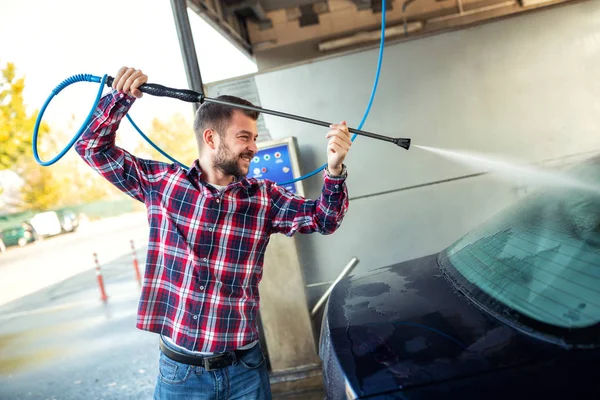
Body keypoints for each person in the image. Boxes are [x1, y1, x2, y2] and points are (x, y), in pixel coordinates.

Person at [75, 66, 352, 399]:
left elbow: (325, 219)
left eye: (254, 137)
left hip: (246, 371)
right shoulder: (163, 185)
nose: (253, 146)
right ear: (211, 138)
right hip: (181, 375)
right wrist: (120, 97)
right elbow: (91, 148)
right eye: (244, 137)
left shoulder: (263, 197)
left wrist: (334, 169)